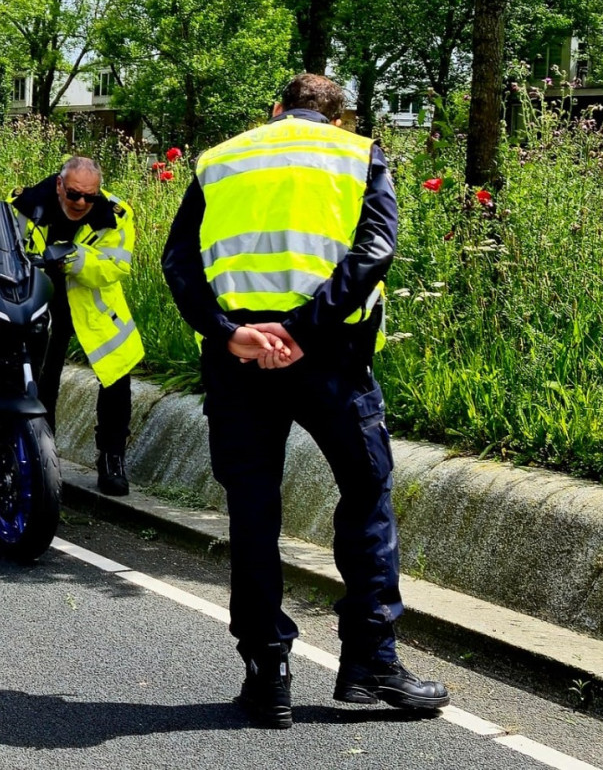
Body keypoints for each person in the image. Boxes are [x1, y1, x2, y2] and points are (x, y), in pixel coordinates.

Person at [160, 73, 449, 729]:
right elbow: (374, 251)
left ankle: (268, 675)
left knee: (253, 511)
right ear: (340, 116)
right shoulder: (359, 155)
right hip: (329, 357)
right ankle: (369, 662)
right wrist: (301, 330)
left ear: (274, 108)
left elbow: (179, 263)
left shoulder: (219, 161)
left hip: (238, 359)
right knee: (366, 488)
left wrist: (233, 333)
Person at [0, 155, 143, 496]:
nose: (82, 203)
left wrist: (71, 256)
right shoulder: (24, 205)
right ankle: (43, 458)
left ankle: (112, 458)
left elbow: (115, 267)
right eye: (74, 194)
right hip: (37, 304)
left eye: (90, 196)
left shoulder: (115, 214)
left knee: (116, 380)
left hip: (94, 311)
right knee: (42, 379)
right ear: (60, 185)